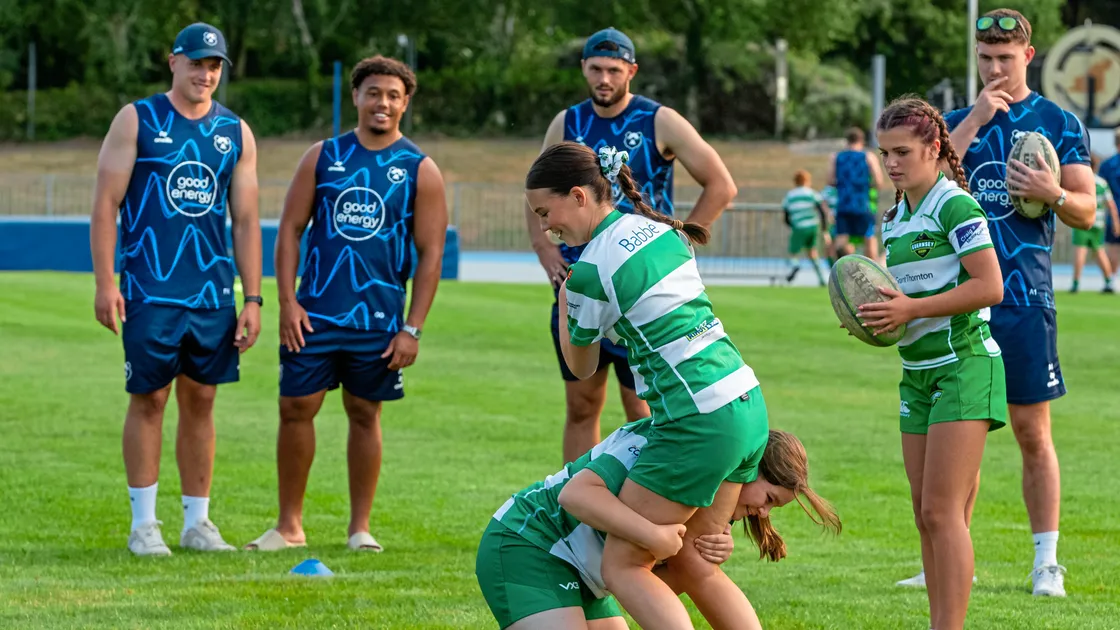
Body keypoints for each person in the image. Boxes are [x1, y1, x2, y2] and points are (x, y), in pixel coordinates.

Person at [527, 142, 838, 629]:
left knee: (624, 565)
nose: (547, 226)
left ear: (579, 195)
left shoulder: (587, 271)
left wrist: (567, 298)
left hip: (697, 420)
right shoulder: (661, 230)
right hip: (747, 402)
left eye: (547, 211)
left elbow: (582, 366)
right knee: (697, 562)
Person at [245, 56, 448, 552]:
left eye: (393, 95)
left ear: (406, 103)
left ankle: (360, 529)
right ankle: (288, 526)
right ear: (355, 97)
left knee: (364, 412)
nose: (383, 103)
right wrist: (287, 302)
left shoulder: (419, 169)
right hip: (313, 314)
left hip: (378, 320)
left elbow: (430, 255)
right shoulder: (323, 156)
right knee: (295, 408)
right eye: (373, 92)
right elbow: (290, 231)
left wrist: (413, 328)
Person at [524, 27, 737, 464]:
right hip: (581, 283)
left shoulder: (659, 120)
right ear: (583, 68)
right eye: (596, 69)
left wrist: (675, 241)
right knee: (581, 406)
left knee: (643, 409)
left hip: (636, 287)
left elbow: (721, 185)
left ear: (631, 71)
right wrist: (547, 254)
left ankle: (638, 513)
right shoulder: (567, 122)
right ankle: (582, 520)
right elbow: (538, 193)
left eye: (614, 70)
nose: (604, 78)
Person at [90, 22, 261, 556]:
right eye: (196, 63)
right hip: (150, 288)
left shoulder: (235, 131)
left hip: (212, 294)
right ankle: (144, 525)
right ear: (174, 62)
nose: (205, 74)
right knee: (149, 398)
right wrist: (104, 283)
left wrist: (252, 298)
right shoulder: (137, 119)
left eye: (214, 66)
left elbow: (248, 219)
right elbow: (105, 205)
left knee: (202, 400)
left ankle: (197, 524)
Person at [942, 8, 1097, 597]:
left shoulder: (1057, 121)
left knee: (1033, 434)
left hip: (1025, 300)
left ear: (1028, 57)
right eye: (985, 58)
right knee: (961, 434)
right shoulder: (957, 120)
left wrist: (1051, 192)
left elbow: (1088, 210)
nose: (995, 68)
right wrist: (976, 117)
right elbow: (920, 187)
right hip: (960, 301)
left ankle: (1045, 565)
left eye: (1005, 58)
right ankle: (951, 561)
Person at [859, 96, 1007, 630]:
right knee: (926, 514)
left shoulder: (955, 206)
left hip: (965, 365)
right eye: (884, 153)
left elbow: (990, 286)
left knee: (944, 514)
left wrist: (911, 308)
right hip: (916, 374)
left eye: (902, 151)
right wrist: (876, 318)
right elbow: (906, 302)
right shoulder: (893, 218)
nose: (892, 163)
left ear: (935, 148)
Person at [476, 424, 837, 630]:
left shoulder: (708, 496)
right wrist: (654, 536)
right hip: (528, 545)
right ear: (747, 466)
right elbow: (575, 497)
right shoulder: (664, 448)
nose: (762, 513)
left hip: (586, 579)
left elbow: (652, 584)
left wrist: (693, 558)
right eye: (769, 499)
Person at [827, 127, 884, 261]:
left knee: (841, 240)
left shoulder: (836, 157)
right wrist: (865, 185)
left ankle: (842, 273)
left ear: (847, 140)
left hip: (843, 205)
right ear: (862, 140)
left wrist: (843, 185)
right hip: (863, 204)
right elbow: (879, 181)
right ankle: (874, 274)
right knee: (869, 238)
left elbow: (830, 180)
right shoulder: (868, 156)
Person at [1070, 155, 1118, 293]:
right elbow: (1111, 205)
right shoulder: (1102, 183)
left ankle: (1076, 283)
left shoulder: (1081, 181)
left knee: (1080, 251)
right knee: (1100, 251)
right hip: (1098, 223)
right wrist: (1115, 222)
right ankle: (1109, 281)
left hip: (1082, 220)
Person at [781, 169, 830, 286]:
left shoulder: (790, 195)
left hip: (799, 226)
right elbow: (821, 210)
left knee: (793, 251)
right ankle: (821, 278)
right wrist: (824, 229)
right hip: (813, 225)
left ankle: (795, 265)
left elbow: (786, 213)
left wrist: (791, 225)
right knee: (812, 252)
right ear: (807, 181)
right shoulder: (812, 193)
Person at [1097, 129, 1120, 280]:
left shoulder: (1106, 165)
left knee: (1113, 248)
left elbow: (1099, 191)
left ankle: (1111, 281)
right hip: (1114, 211)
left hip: (1114, 212)